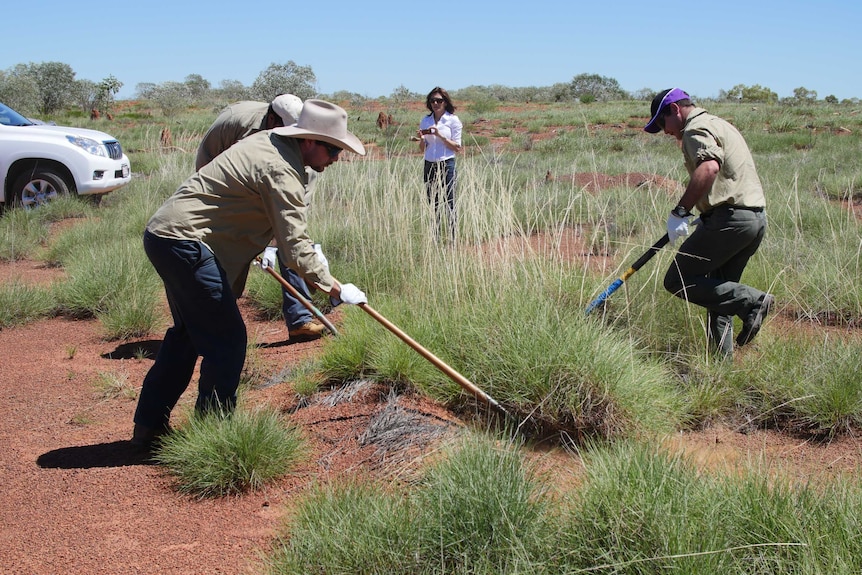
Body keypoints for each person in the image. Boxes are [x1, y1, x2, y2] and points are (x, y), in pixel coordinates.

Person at [132, 99, 367, 448]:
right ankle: (214, 437)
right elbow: (296, 246)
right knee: (227, 341)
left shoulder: (269, 143)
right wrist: (335, 288)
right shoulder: (281, 168)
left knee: (188, 336)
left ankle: (149, 428)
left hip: (167, 236)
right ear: (309, 141)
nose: (336, 158)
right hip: (185, 243)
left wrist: (270, 248)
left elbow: (256, 212)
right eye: (333, 149)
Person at [644, 88, 774, 358]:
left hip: (729, 220)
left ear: (674, 110)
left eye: (661, 122)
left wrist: (680, 211)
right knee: (720, 294)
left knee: (677, 279)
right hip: (754, 220)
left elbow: (709, 167)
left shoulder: (695, 129)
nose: (664, 131)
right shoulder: (720, 124)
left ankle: (753, 301)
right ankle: (720, 366)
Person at [196, 94, 326, 339]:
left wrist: (278, 244)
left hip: (275, 186)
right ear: (272, 118)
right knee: (227, 251)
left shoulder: (301, 148)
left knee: (293, 243)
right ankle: (217, 319)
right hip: (228, 189)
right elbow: (205, 165)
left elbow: (295, 215)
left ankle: (300, 318)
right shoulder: (234, 121)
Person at [416, 87, 462, 242]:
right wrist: (422, 139)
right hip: (429, 164)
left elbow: (457, 147)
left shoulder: (453, 120)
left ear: (445, 102)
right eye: (433, 100)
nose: (436, 103)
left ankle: (453, 239)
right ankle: (434, 238)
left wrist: (440, 135)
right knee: (432, 202)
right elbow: (423, 148)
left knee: (450, 201)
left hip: (447, 163)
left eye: (439, 100)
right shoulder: (425, 120)